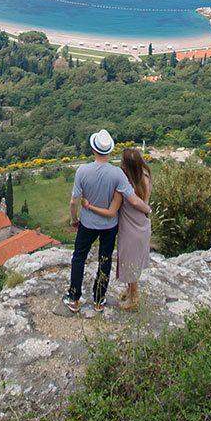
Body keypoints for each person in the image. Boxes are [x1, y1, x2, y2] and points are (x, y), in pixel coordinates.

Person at [66, 129, 134, 316]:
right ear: (109, 151)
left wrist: (74, 220)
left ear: (93, 149)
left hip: (87, 223)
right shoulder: (117, 174)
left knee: (79, 257)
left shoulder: (83, 171)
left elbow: (74, 201)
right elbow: (130, 197)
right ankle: (99, 300)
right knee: (104, 260)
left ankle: (74, 299)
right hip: (110, 225)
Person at [80, 145, 151, 310]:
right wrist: (148, 210)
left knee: (130, 263)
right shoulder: (146, 178)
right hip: (143, 226)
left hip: (129, 229)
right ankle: (128, 290)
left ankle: (133, 301)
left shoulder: (123, 187)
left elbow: (111, 211)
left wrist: (90, 206)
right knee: (135, 261)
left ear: (125, 165)